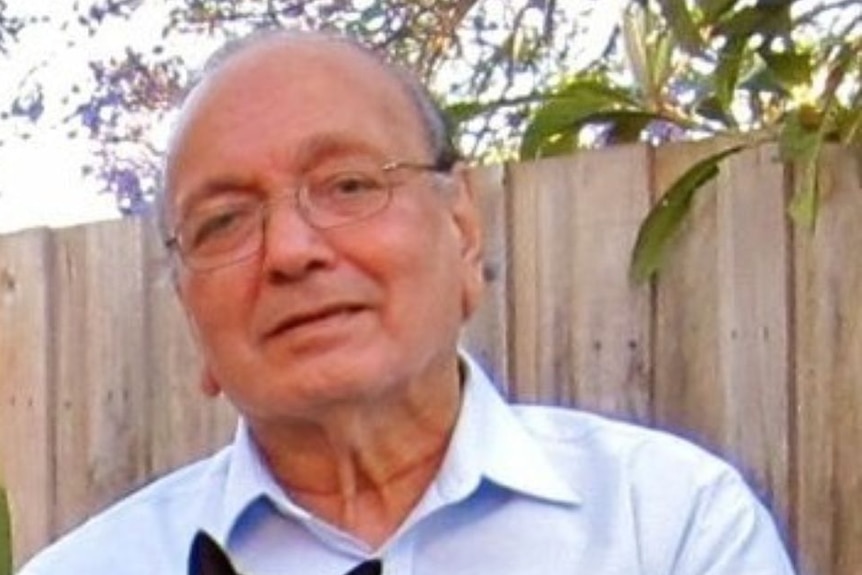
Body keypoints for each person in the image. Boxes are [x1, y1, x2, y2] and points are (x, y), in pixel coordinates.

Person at [18, 29, 796, 575]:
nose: (291, 250)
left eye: (349, 184)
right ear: (191, 311)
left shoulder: (667, 525)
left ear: (461, 228)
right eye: (223, 221)